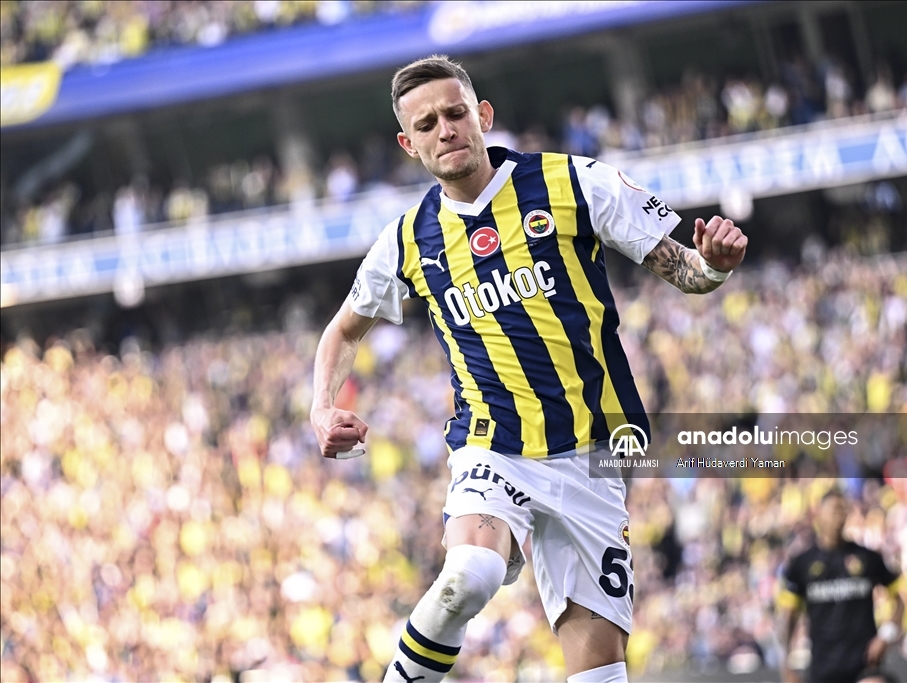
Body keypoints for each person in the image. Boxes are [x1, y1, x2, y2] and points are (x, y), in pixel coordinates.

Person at [309, 54, 747, 683]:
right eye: (426, 124)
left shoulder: (575, 182)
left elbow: (687, 271)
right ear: (409, 145)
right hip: (494, 446)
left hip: (593, 454)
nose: (445, 130)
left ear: (483, 115)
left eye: (456, 113)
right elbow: (342, 331)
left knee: (599, 676)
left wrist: (714, 266)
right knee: (469, 576)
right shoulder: (407, 240)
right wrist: (322, 407)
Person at [777, 491, 905, 683]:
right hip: (823, 667)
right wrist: (785, 663)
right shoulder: (801, 564)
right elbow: (789, 616)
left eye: (844, 510)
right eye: (835, 510)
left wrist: (886, 635)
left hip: (865, 663)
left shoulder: (867, 557)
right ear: (819, 514)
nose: (841, 515)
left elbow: (900, 599)